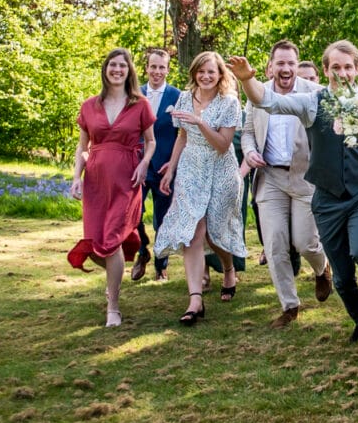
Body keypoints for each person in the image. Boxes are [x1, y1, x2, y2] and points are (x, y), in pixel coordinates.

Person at [229, 41, 358, 343]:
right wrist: (247, 78)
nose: (342, 73)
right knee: (340, 275)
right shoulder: (312, 101)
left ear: (357, 69)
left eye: (348, 67)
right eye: (336, 67)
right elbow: (269, 101)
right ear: (325, 70)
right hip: (325, 198)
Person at [242, 40, 333, 329]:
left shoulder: (315, 93)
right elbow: (247, 132)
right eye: (280, 63)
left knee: (305, 242)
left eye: (290, 63)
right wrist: (249, 151)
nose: (285, 68)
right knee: (275, 244)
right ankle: (289, 306)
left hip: (305, 177)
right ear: (271, 66)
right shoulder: (257, 93)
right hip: (270, 177)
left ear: (297, 65)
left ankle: (322, 268)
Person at [154, 51, 245, 325]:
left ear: (220, 76)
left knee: (217, 234)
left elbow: (222, 145)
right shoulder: (184, 97)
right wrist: (170, 169)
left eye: (211, 72)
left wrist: (201, 122)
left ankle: (228, 269)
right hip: (191, 168)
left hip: (220, 168)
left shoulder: (229, 103)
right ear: (194, 73)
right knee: (193, 231)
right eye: (201, 72)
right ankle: (195, 299)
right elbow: (182, 136)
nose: (205, 76)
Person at [68, 49, 156, 327]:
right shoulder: (89, 106)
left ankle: (113, 306)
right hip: (96, 181)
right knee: (96, 244)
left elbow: (151, 141)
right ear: (105, 69)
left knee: (112, 239)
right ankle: (114, 278)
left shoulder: (140, 104)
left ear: (129, 71)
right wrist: (75, 178)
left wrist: (144, 164)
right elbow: (83, 147)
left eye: (122, 66)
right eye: (112, 65)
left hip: (127, 180)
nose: (117, 70)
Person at [131, 48, 179, 282]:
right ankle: (143, 250)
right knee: (133, 215)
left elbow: (183, 134)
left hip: (164, 167)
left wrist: (173, 163)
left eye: (162, 67)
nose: (157, 71)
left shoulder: (178, 96)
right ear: (147, 68)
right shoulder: (134, 94)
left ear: (168, 69)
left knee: (163, 219)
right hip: (137, 166)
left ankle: (161, 266)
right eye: (153, 66)